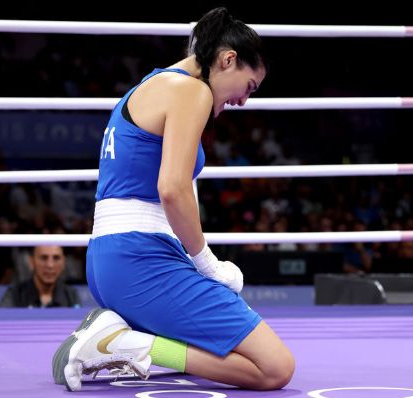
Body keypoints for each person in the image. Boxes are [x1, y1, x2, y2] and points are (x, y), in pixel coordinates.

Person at [52, 7, 294, 392]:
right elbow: (172, 189)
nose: (244, 102)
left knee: (216, 356)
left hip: (110, 262)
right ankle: (122, 343)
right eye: (248, 87)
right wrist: (208, 265)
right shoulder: (191, 89)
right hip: (139, 261)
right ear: (228, 59)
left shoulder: (152, 83)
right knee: (275, 368)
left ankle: (120, 335)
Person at [0, 246, 79, 308]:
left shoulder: (70, 295)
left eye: (56, 258)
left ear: (63, 262)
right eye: (44, 258)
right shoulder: (15, 294)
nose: (50, 265)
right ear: (31, 262)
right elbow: (1, 324)